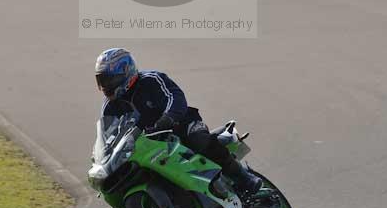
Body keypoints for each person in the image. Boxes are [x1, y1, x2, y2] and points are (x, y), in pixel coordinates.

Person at [95, 48, 262, 195]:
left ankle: (244, 178)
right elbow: (108, 132)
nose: (106, 85)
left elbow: (175, 98)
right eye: (102, 81)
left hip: (179, 124)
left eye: (110, 80)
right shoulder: (109, 107)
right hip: (146, 144)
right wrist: (104, 153)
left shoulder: (151, 80)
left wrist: (166, 119)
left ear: (126, 71)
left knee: (199, 140)